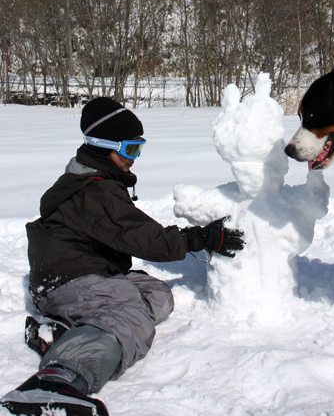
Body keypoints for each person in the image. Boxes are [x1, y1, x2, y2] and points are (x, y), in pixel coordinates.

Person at [0, 97, 244, 416]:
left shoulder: (93, 178)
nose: (135, 159)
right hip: (71, 279)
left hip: (77, 274)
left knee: (156, 294)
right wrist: (200, 238)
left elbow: (130, 229)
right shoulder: (95, 190)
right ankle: (59, 377)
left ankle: (67, 329)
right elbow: (144, 238)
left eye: (138, 149)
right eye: (129, 150)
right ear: (104, 147)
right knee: (130, 317)